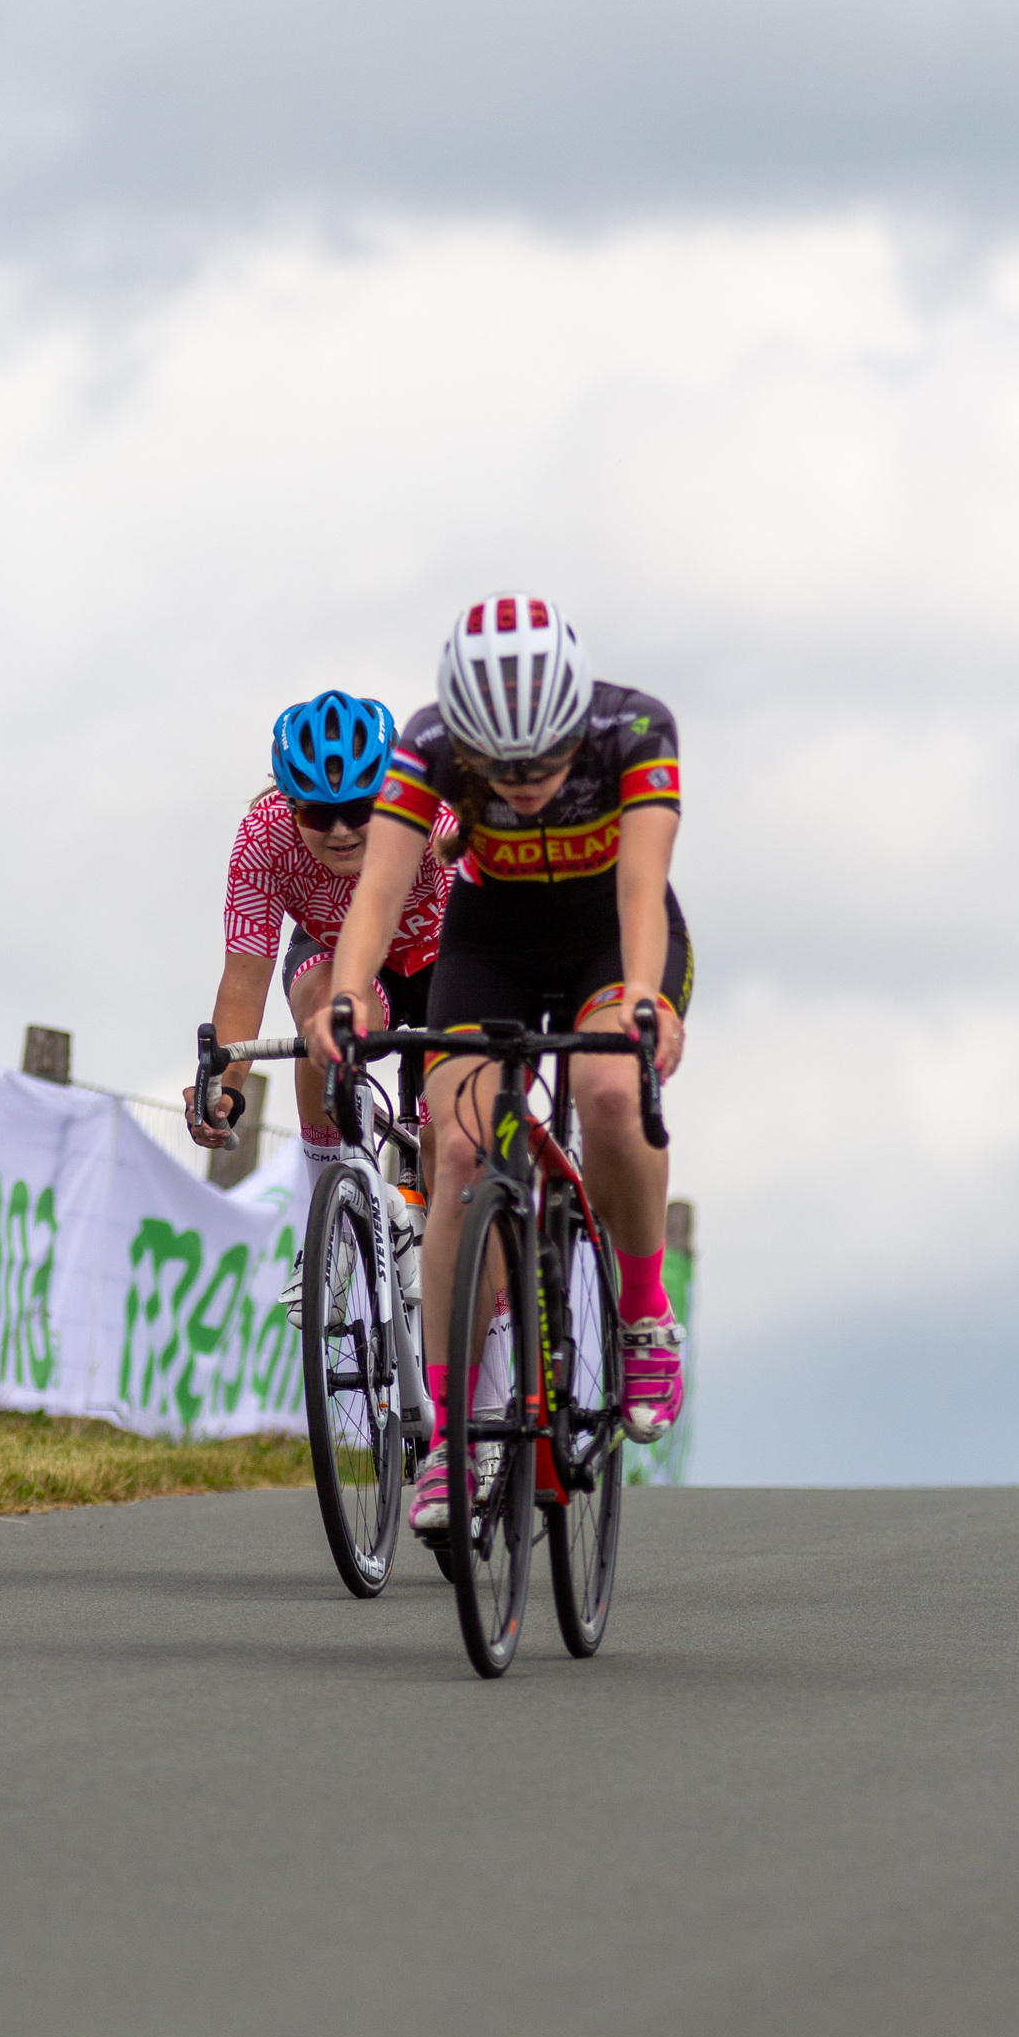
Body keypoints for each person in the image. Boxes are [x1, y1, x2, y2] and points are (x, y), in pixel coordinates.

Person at [304, 595, 690, 1537]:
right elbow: (383, 888)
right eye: (500, 769)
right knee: (462, 1151)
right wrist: (350, 990)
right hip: (494, 943)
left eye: (544, 766)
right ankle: (450, 1436)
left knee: (606, 1088)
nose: (522, 786)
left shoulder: (633, 728)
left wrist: (644, 996)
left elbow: (643, 883)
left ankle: (642, 1313)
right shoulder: (430, 742)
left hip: (609, 934)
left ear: (573, 723)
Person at [185, 690, 453, 1315]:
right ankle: (326, 1232)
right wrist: (222, 1084)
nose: (338, 830)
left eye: (359, 808)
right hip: (339, 953)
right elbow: (245, 979)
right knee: (324, 1024)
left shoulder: (431, 813)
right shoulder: (264, 836)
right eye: (316, 813)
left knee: (452, 1143)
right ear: (287, 802)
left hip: (447, 956)